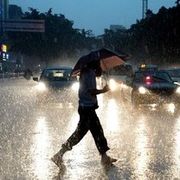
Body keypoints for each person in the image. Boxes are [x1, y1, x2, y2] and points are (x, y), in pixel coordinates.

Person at [51, 60, 117, 167]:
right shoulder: (89, 74)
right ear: (94, 65)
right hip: (87, 109)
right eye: (99, 65)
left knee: (97, 132)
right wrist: (103, 90)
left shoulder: (84, 72)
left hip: (85, 107)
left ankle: (104, 157)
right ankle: (59, 155)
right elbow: (91, 91)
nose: (100, 67)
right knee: (82, 134)